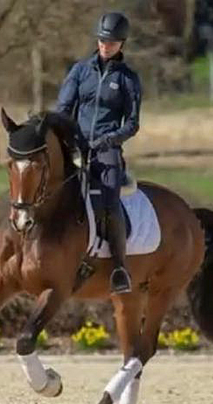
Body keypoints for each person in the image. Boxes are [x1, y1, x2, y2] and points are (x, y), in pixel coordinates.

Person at [56, 11, 142, 295]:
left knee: (108, 202)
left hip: (107, 151)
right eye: (103, 40)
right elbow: (64, 109)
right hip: (77, 146)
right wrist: (67, 138)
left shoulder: (128, 79)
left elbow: (131, 124)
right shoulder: (80, 71)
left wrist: (108, 141)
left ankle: (118, 267)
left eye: (113, 42)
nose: (107, 45)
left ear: (122, 44)